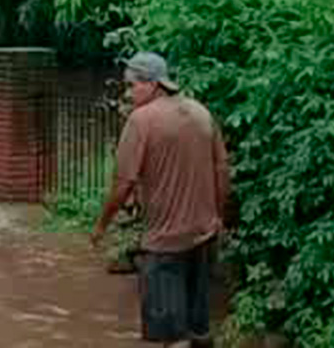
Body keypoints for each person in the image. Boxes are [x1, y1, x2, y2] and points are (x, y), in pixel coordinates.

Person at [92, 51, 231, 348]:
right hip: (203, 236)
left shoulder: (141, 120)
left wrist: (101, 225)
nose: (128, 93)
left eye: (132, 85)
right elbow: (222, 170)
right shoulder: (201, 112)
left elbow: (123, 184)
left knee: (172, 335)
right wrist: (218, 217)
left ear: (153, 84)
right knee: (198, 330)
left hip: (165, 243)